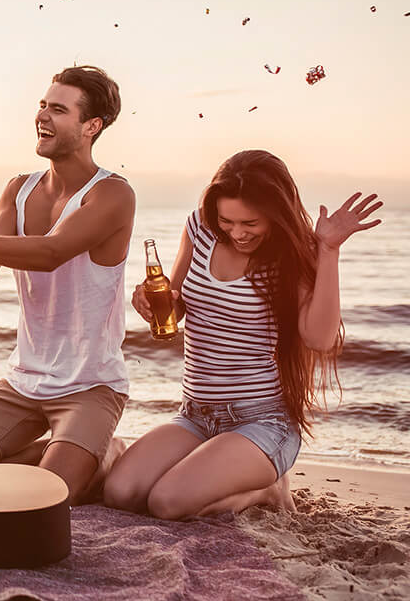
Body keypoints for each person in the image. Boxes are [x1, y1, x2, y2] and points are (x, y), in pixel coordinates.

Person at [103, 150, 383, 519]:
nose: (237, 233)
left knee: (166, 502)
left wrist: (328, 250)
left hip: (261, 422)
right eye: (227, 221)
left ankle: (267, 488)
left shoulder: (292, 253)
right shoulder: (200, 227)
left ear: (276, 214)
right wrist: (151, 301)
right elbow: (177, 302)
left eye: (250, 223)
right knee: (120, 493)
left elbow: (319, 339)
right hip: (196, 415)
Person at [0, 65, 135, 504]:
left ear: (92, 126)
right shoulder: (19, 188)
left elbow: (50, 253)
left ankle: (105, 451)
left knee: (49, 496)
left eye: (59, 109)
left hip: (90, 384)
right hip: (24, 379)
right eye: (42, 105)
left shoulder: (112, 194)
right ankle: (67, 452)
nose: (42, 116)